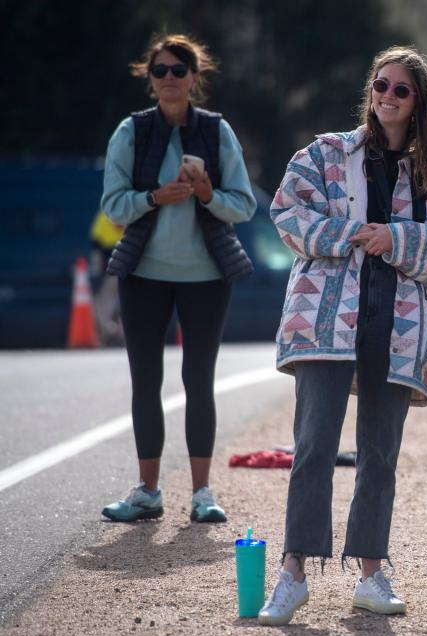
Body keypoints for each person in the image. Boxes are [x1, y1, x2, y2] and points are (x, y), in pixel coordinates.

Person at [258, 46, 427, 626]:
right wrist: (356, 233)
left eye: (401, 89)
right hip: (324, 316)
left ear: (417, 101)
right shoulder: (323, 154)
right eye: (381, 84)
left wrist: (392, 239)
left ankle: (371, 572)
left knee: (380, 453)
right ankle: (293, 573)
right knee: (313, 446)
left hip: (396, 324)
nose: (388, 96)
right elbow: (286, 214)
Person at [100, 34, 257, 524]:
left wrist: (208, 193)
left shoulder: (216, 131)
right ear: (149, 79)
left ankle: (202, 493)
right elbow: (111, 206)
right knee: (145, 382)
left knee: (198, 380)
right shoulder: (132, 131)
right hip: (142, 276)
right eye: (161, 70)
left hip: (208, 278)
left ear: (195, 77)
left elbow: (245, 204)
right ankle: (147, 492)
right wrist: (153, 198)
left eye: (179, 69)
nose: (170, 77)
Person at [89, 210, 125, 346]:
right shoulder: (130, 209)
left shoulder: (105, 213)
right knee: (119, 300)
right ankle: (118, 333)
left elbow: (95, 240)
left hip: (111, 264)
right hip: (124, 263)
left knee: (107, 301)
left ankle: (109, 333)